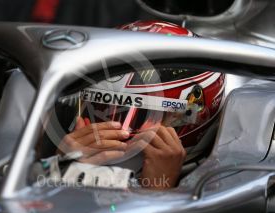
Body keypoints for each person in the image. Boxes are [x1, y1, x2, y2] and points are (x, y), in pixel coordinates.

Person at [49, 20, 225, 190]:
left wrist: (157, 190)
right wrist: (58, 171)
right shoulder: (49, 155)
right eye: (95, 110)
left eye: (136, 118)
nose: (100, 131)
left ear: (191, 118)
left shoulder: (221, 186)